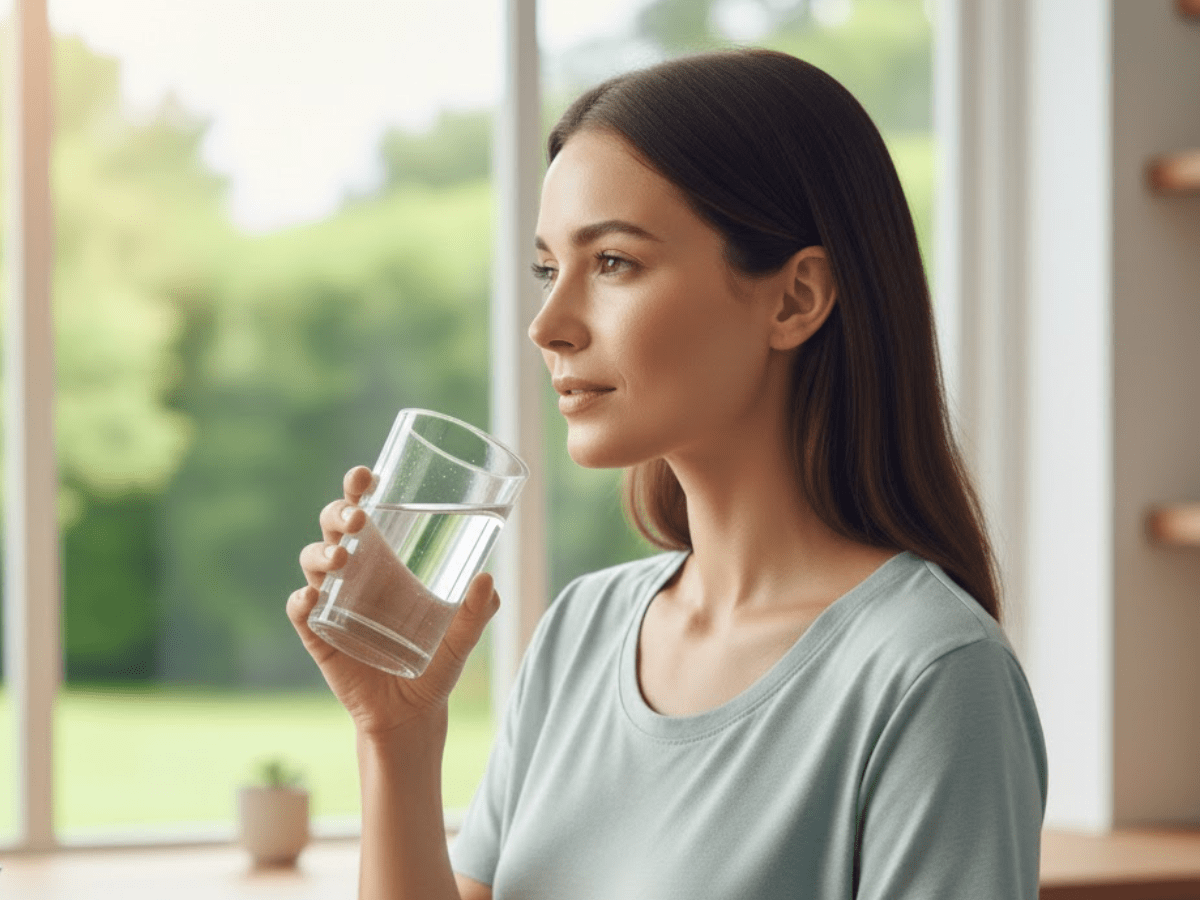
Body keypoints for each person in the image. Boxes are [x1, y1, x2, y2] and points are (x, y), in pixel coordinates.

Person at [288, 47, 1048, 900]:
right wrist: (397, 733)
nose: (549, 323)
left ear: (795, 299)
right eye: (548, 269)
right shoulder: (580, 634)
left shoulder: (930, 674)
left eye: (612, 262)